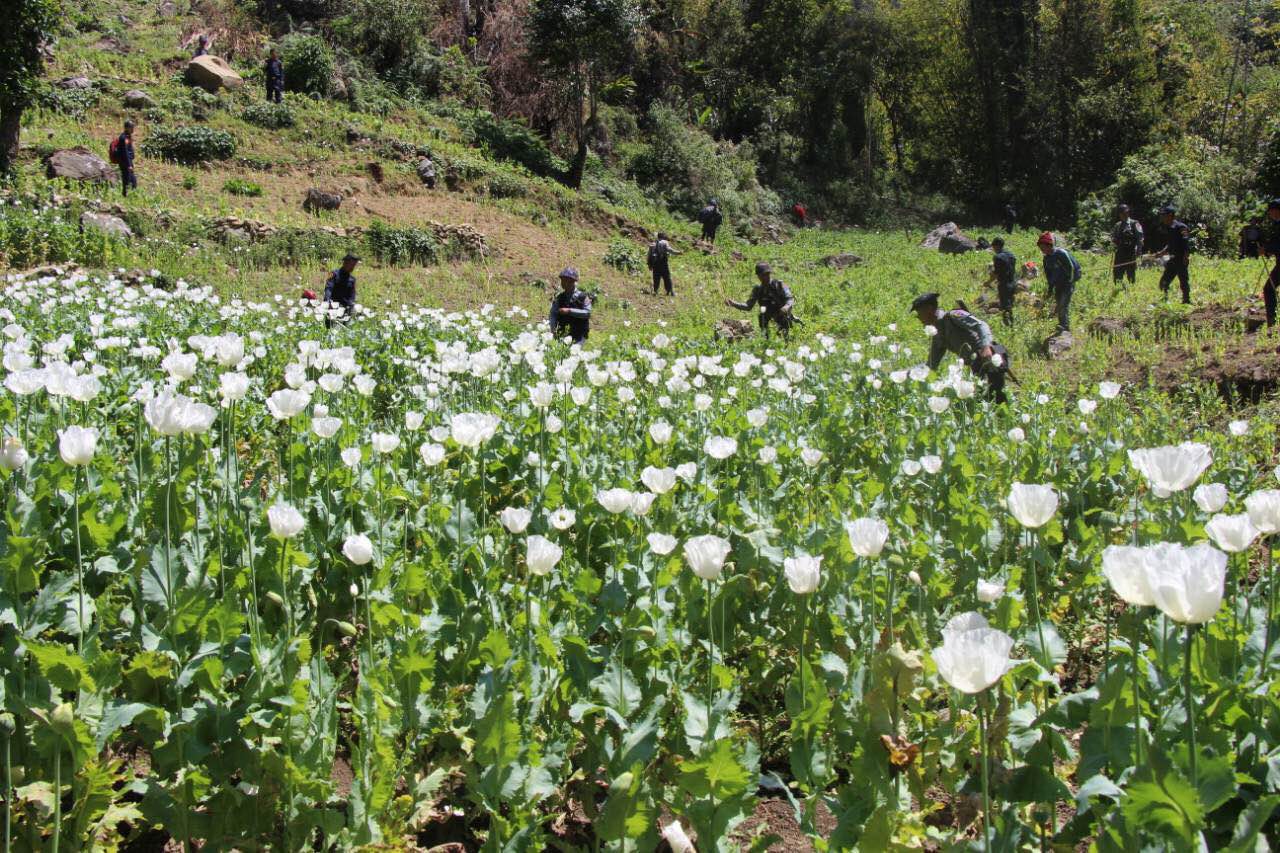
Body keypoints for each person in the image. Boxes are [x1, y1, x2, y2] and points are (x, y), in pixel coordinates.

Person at [912, 292, 1010, 403]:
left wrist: (985, 347)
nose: (918, 318)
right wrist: (911, 373)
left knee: (996, 397)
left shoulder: (954, 315)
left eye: (920, 313)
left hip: (993, 353)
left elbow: (982, 325)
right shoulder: (938, 335)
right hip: (977, 364)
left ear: (929, 309)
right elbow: (931, 364)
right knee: (982, 398)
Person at [725, 262, 795, 340]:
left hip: (781, 314)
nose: (765, 277)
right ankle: (766, 341)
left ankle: (786, 339)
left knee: (784, 333)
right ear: (758, 276)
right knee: (762, 317)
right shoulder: (758, 289)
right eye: (762, 275)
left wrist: (786, 307)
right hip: (766, 315)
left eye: (767, 274)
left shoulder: (779, 285)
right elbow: (748, 306)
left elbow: (790, 299)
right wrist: (733, 304)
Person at [1036, 231, 1082, 334]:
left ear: (1049, 245)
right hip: (1058, 284)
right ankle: (1062, 324)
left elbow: (1071, 268)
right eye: (1040, 247)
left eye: (1043, 247)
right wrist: (1050, 289)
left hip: (1067, 283)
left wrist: (1070, 282)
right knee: (1058, 302)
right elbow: (1049, 275)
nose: (1041, 249)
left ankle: (1065, 326)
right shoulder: (1046, 259)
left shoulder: (1061, 253)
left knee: (1063, 303)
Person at [1150, 204, 1192, 304]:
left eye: (1164, 215)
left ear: (1170, 215)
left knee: (1183, 281)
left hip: (1181, 258)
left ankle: (1186, 301)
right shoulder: (1169, 228)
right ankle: (1164, 299)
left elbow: (1186, 244)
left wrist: (1185, 257)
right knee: (1164, 281)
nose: (1162, 217)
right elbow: (1170, 245)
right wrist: (1160, 253)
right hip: (1173, 259)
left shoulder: (1181, 227)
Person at [549, 267, 592, 344]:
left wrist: (569, 311)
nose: (563, 283)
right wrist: (553, 330)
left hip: (579, 335)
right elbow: (553, 314)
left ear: (573, 282)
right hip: (563, 334)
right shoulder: (560, 297)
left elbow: (587, 313)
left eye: (567, 280)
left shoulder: (583, 297)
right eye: (562, 280)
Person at [984, 237, 1018, 326]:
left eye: (993, 247)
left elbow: (996, 273)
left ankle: (1008, 326)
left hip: (1004, 285)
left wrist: (988, 282)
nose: (993, 249)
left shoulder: (998, 257)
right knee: (1010, 305)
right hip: (1013, 283)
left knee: (1005, 307)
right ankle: (1012, 324)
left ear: (997, 246)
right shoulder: (1011, 255)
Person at [1110, 204, 1144, 284]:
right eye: (1122, 213)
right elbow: (1114, 237)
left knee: (1131, 274)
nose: (1125, 214)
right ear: (1119, 214)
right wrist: (1114, 243)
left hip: (1130, 252)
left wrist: (1138, 251)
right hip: (1120, 252)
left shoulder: (1134, 223)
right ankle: (1118, 288)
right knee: (1117, 273)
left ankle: (1132, 289)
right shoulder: (1117, 225)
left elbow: (1140, 238)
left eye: (1126, 212)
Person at [323, 253, 359, 326]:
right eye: (351, 264)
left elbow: (352, 296)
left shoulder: (352, 279)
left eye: (354, 265)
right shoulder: (334, 274)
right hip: (333, 308)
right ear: (345, 263)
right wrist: (328, 301)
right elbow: (328, 289)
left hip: (345, 310)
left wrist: (352, 306)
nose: (353, 267)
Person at [1261, 198, 1280, 328]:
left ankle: (1272, 321)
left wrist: (1267, 249)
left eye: (1271, 211)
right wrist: (1266, 250)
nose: (1269, 213)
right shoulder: (1277, 224)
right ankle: (1273, 320)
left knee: (1268, 288)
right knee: (1269, 288)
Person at [112, 120, 137, 198]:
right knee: (127, 180)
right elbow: (125, 152)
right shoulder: (123, 138)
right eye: (131, 127)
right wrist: (129, 165)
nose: (133, 129)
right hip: (125, 163)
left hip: (128, 162)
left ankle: (130, 196)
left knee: (132, 180)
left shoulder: (127, 136)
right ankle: (125, 196)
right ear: (127, 128)